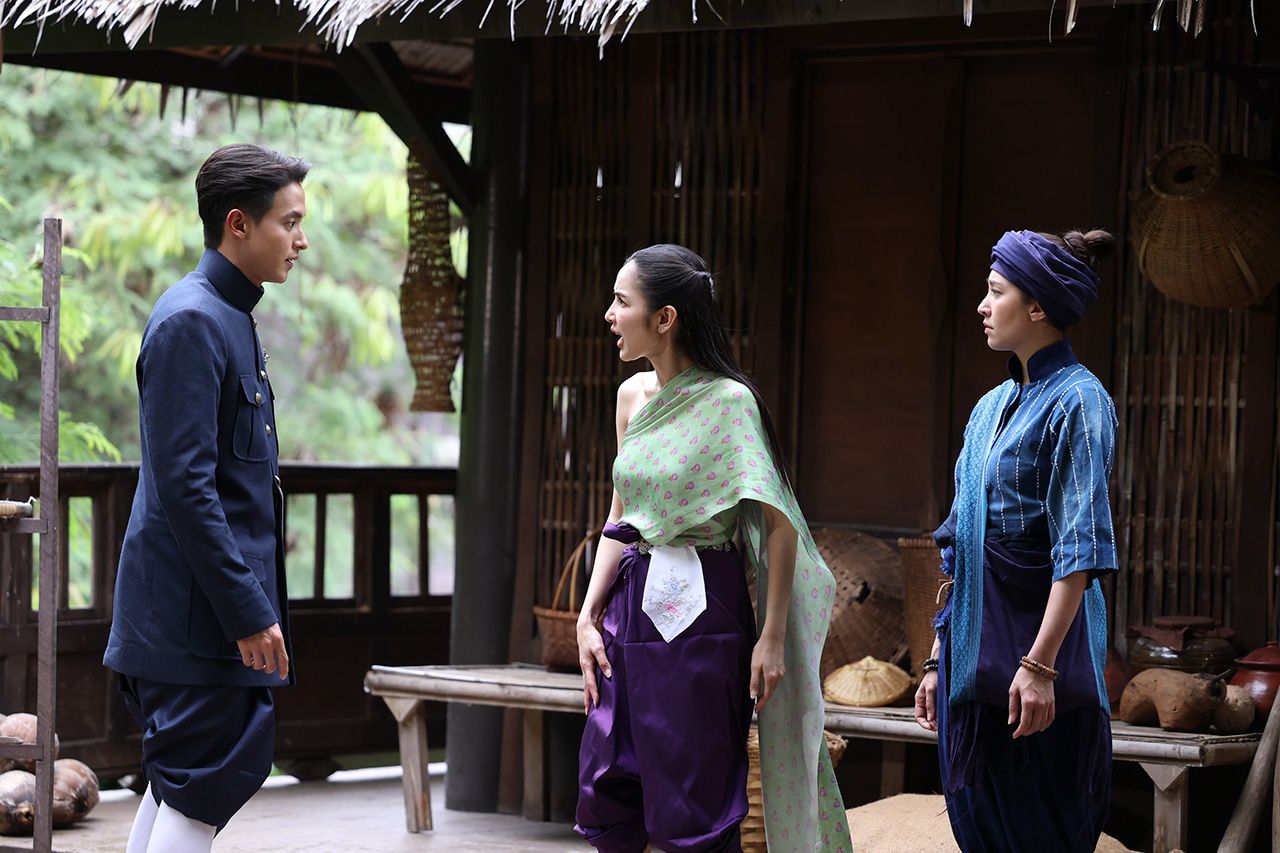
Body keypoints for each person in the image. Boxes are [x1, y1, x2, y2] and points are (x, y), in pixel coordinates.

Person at [574, 244, 851, 853]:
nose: (609, 315)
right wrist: (588, 617)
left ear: (664, 318)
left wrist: (771, 637)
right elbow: (620, 516)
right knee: (610, 779)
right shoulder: (631, 397)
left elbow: (778, 524)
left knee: (694, 793)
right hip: (630, 606)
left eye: (621, 302)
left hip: (705, 612)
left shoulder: (730, 402)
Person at [103, 143, 309, 853]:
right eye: (289, 222)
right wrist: (246, 611)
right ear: (238, 224)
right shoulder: (191, 319)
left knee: (186, 782)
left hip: (205, 616)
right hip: (194, 620)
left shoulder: (229, 313)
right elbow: (186, 489)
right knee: (206, 778)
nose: (301, 241)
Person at [913, 229, 1119, 852]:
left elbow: (1080, 549)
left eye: (996, 291)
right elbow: (960, 543)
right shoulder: (989, 408)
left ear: (1037, 308)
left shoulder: (1080, 400)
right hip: (972, 658)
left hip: (1037, 663)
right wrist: (936, 656)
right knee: (978, 825)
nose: (982, 305)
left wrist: (1040, 667)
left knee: (1041, 828)